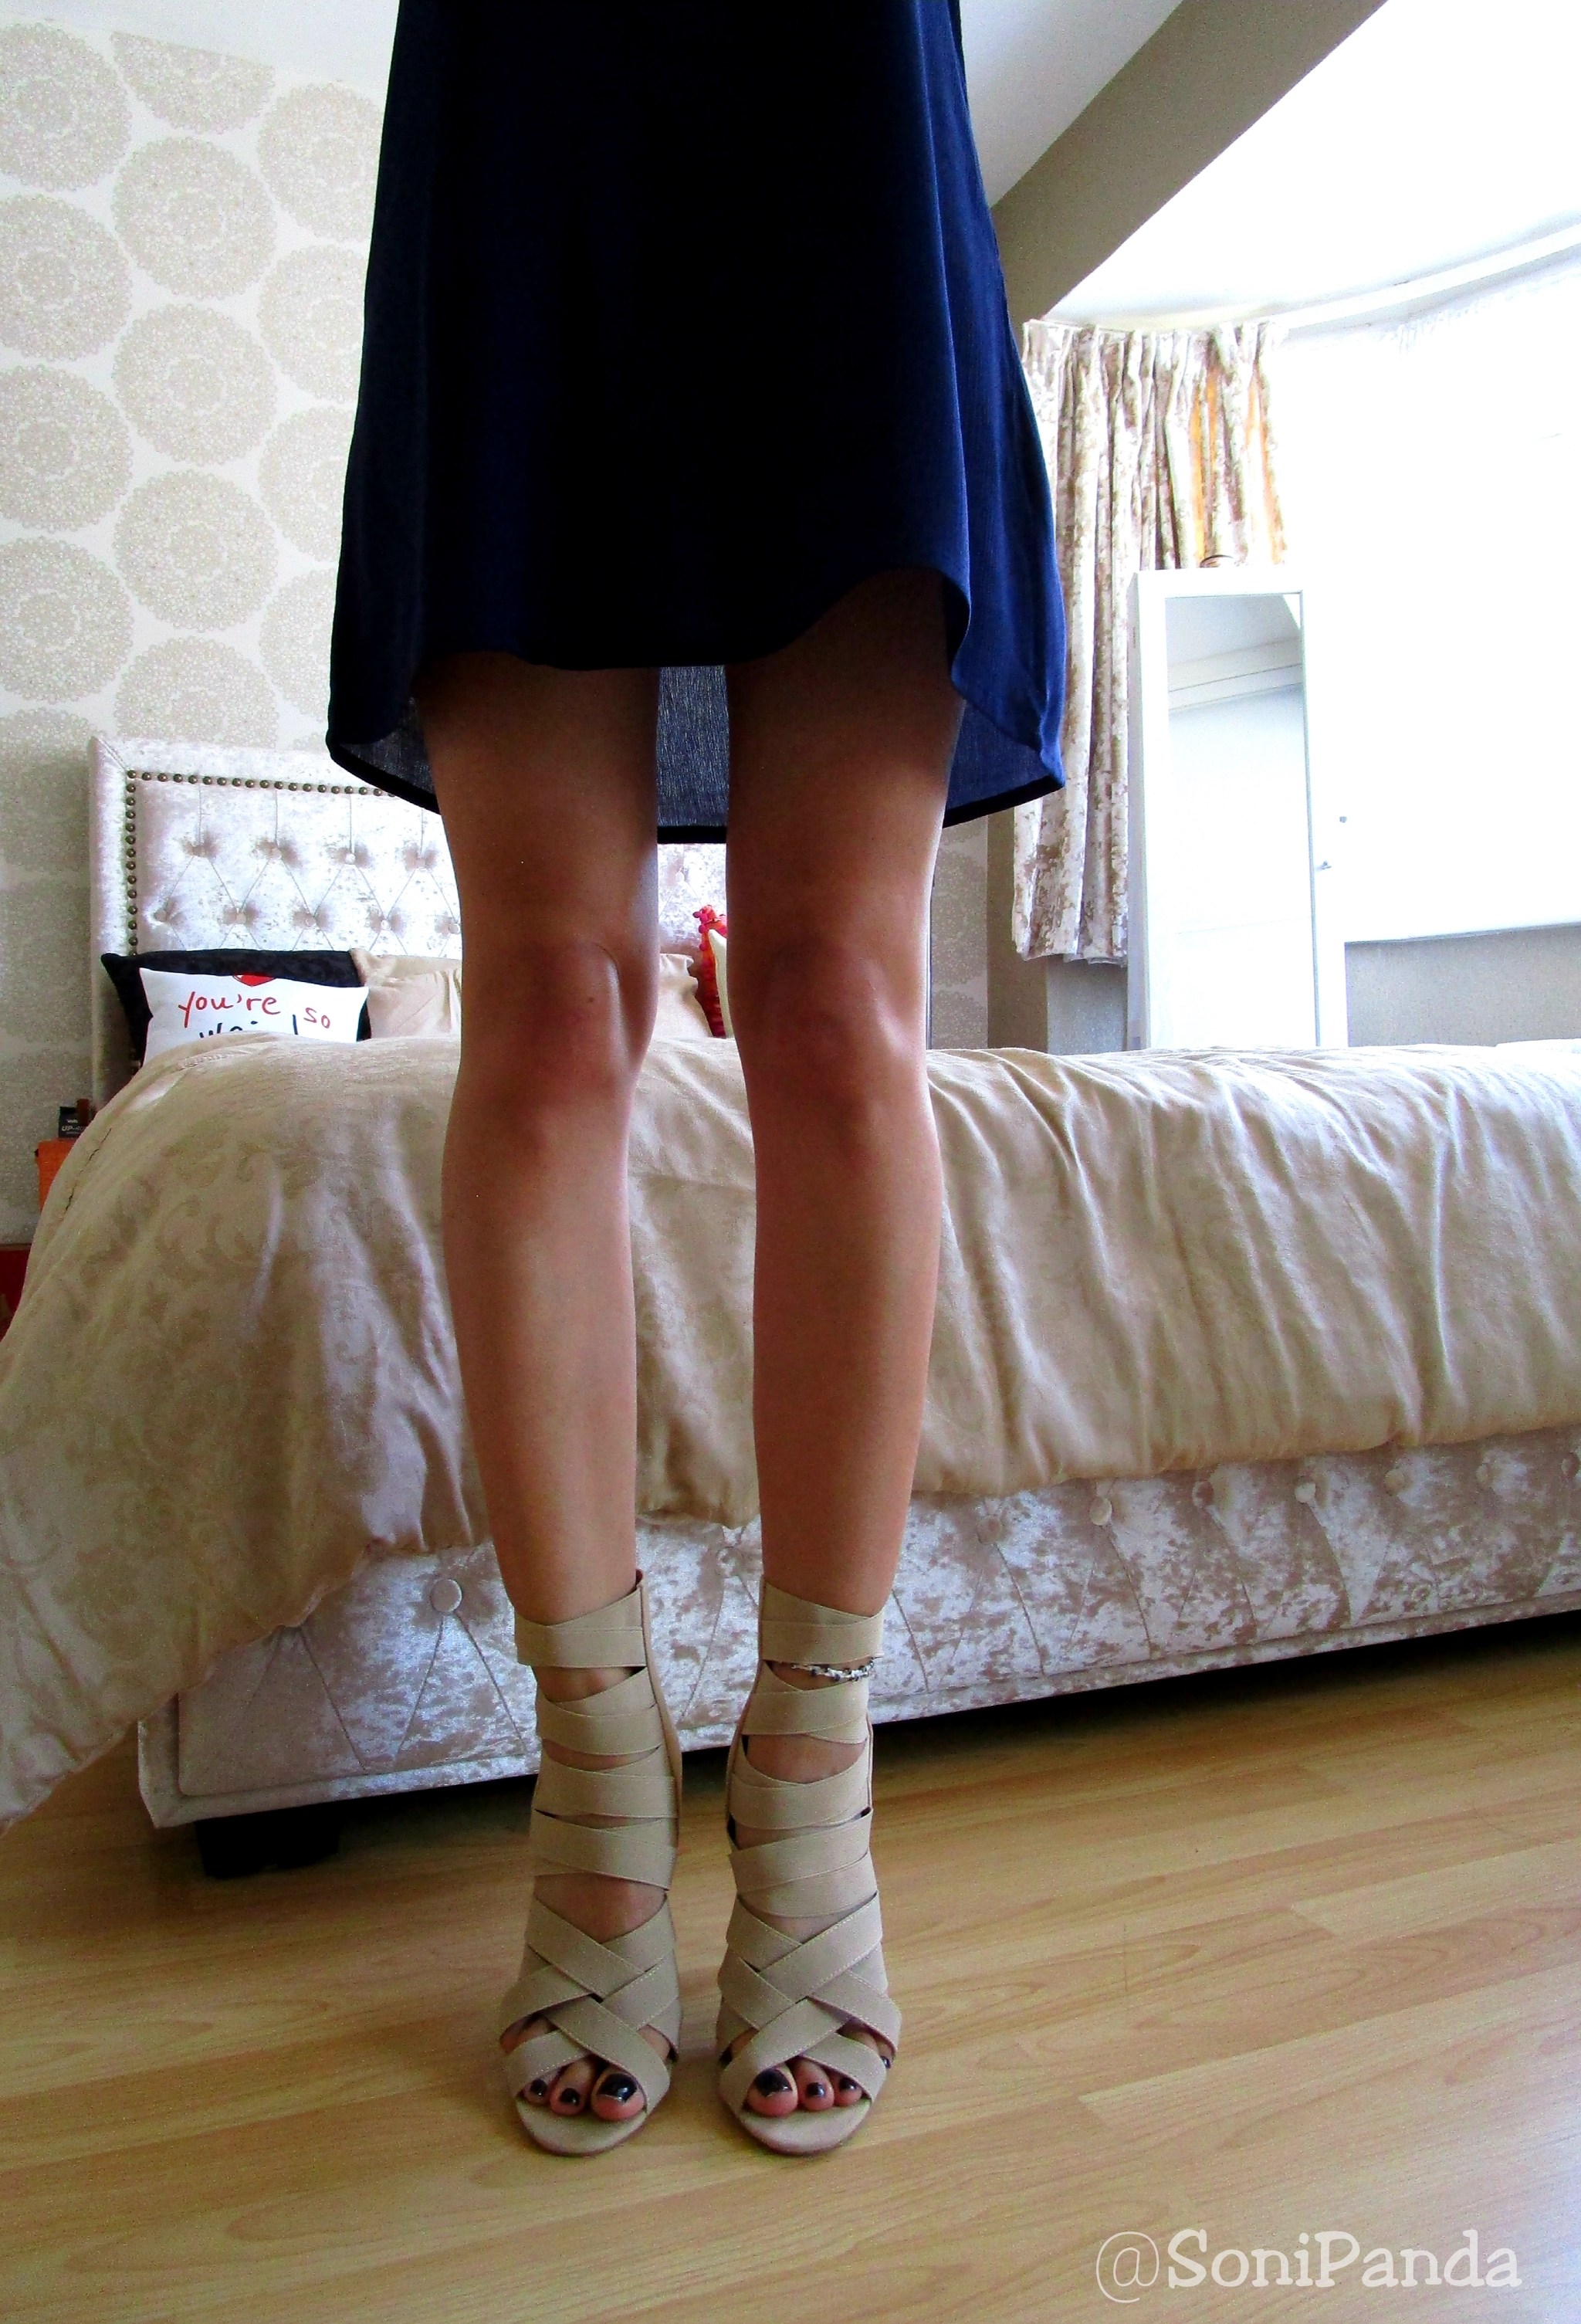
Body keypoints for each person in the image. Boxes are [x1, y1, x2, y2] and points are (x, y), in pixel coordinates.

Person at [328, 1, 1065, 2158]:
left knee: (833, 991)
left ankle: (813, 1770)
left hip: (834, 102)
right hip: (530, 95)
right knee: (553, 1003)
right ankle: (595, 1763)